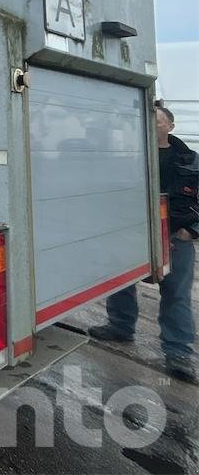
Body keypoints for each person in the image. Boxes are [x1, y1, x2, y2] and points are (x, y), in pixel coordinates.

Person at [89, 102, 198, 383]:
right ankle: (120, 327)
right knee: (121, 282)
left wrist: (192, 230)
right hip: (132, 234)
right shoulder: (128, 156)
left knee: (175, 293)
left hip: (175, 237)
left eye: (158, 121)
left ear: (170, 126)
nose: (152, 125)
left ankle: (178, 352)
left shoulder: (190, 160)